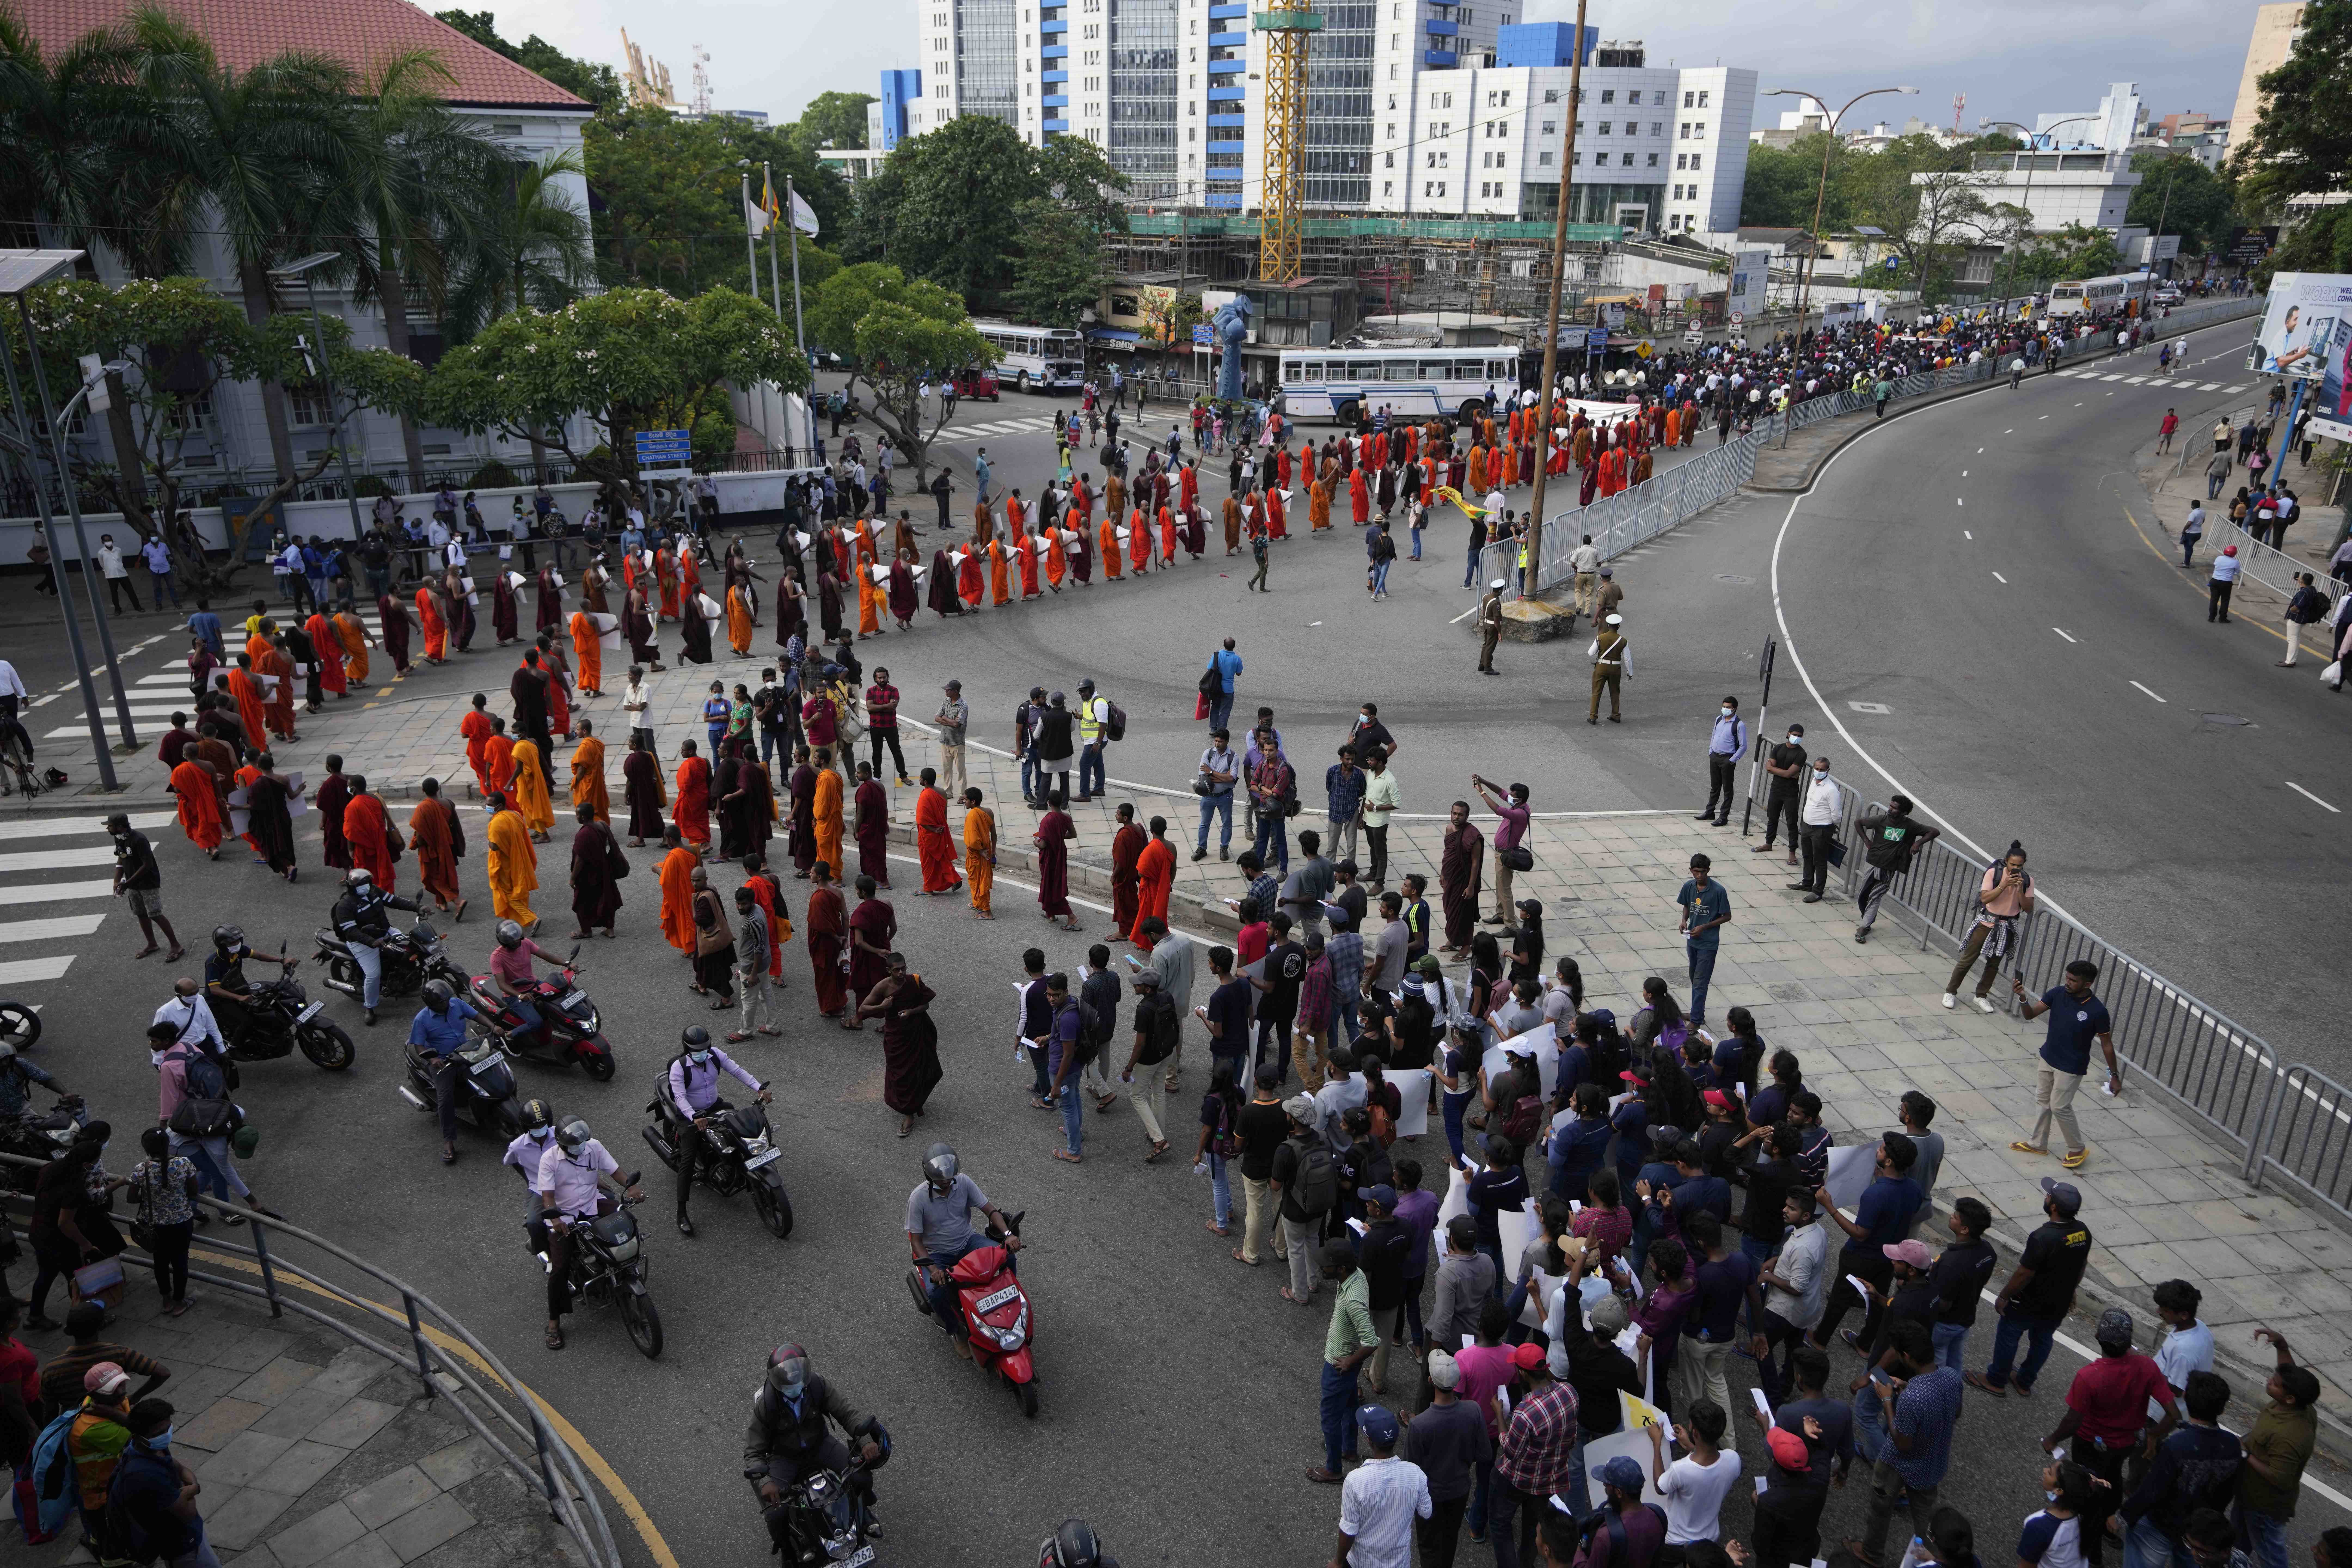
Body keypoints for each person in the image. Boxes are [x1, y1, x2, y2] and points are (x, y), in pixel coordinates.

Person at [742, 1344, 887, 1551]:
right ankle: (788, 1550)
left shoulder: (818, 1386)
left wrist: (865, 1441)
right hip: (785, 1458)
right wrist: (765, 1482)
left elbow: (847, 1413)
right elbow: (753, 1451)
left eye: (797, 1374)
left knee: (861, 1476)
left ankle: (863, 1515)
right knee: (775, 1513)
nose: (793, 1381)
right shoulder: (766, 1406)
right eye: (787, 1377)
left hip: (821, 1445)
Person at [1845, 1318, 1964, 1568]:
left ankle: (1872, 1553)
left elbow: (1901, 1443)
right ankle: (1934, 1561)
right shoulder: (1952, 1377)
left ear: (1907, 1356)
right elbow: (1956, 1413)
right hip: (1933, 1464)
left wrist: (1888, 1400)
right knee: (1926, 1521)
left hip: (1896, 1464)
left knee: (1880, 1508)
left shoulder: (1913, 1398)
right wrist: (1906, 1386)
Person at [1968, 1177, 2093, 1399]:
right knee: (2043, 1340)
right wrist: (2071, 1289)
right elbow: (2081, 1266)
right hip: (2058, 1303)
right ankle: (2025, 1381)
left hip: (2028, 1303)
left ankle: (1996, 1380)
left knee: (2009, 1335)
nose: (2045, 1198)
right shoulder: (2083, 1232)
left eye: (2048, 1197)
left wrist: (2004, 1295)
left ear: (2053, 1207)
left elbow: (2025, 1273)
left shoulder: (2042, 1237)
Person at [536, 1118, 643, 1348]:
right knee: (560, 1269)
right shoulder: (549, 1160)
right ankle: (554, 1323)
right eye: (576, 1144)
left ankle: (628, 1267)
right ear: (563, 1145)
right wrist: (555, 1219)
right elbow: (548, 1197)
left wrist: (630, 1186)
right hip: (565, 1216)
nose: (582, 1147)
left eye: (583, 1142)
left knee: (626, 1219)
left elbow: (615, 1172)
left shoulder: (594, 1146)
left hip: (592, 1203)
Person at [906, 1142, 1024, 1350]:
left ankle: (1011, 1306)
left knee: (1008, 1257)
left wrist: (1007, 1235)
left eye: (949, 1178)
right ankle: (957, 1332)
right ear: (929, 1177)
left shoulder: (964, 1183)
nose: (946, 1183)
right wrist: (934, 1270)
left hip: (968, 1242)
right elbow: (916, 1242)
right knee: (936, 1293)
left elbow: (991, 1210)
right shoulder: (918, 1199)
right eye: (940, 1180)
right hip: (938, 1255)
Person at [2011, 960, 2118, 1170]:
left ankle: (2077, 1149)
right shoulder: (2058, 993)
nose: (2068, 983)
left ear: (2087, 985)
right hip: (2048, 1057)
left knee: (2060, 1106)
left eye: (2073, 980)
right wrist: (2023, 999)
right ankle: (2038, 1144)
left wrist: (2114, 1075)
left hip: (2071, 1067)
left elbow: (2107, 1045)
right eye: (2067, 978)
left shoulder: (2097, 1011)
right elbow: (2031, 1015)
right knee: (2042, 1100)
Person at [666, 1025, 771, 1234]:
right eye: (697, 1051)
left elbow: (737, 1071)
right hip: (691, 1114)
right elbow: (680, 1098)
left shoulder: (715, 1056)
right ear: (687, 1049)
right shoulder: (679, 1067)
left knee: (740, 1131)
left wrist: (759, 1088)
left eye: (705, 1049)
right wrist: (694, 1117)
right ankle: (682, 1212)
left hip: (715, 1106)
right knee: (687, 1160)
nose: (701, 1054)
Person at [2234, 1327, 2321, 1568]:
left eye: (2275, 1383)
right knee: (2235, 1544)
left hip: (2264, 1507)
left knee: (2272, 1558)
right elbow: (2291, 1376)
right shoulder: (2299, 1405)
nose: (2269, 1381)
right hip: (2248, 1495)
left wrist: (2245, 1453)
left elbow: (2280, 1478)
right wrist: (2281, 1346)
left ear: (2290, 1398)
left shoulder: (2290, 1436)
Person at [1332, 1401, 1432, 1566]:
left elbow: (1349, 1530)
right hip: (1399, 1563)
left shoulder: (1355, 1480)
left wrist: (1338, 1562)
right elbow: (1426, 1512)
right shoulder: (1416, 1474)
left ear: (1369, 1441)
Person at [332, 866, 420, 1027]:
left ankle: (403, 979)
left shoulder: (373, 892)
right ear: (352, 887)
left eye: (368, 883)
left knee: (413, 947)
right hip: (362, 943)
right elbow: (351, 932)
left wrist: (417, 908)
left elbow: (394, 901)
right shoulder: (345, 906)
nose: (366, 886)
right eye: (361, 884)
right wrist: (371, 942)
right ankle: (370, 1007)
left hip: (386, 932)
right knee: (373, 975)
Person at [1647, 1398, 1741, 1545]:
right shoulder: (1734, 1459)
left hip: (1675, 1540)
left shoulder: (1681, 1469)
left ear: (1695, 1433)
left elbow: (1660, 1488)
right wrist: (1693, 1447)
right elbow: (1711, 1460)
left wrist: (1657, 1442)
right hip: (1709, 1538)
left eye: (1691, 1426)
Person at [410, 979, 482, 1165]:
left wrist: (493, 1026)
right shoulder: (422, 1020)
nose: (447, 1003)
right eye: (443, 1002)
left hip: (466, 1052)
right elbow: (419, 1046)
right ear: (432, 1004)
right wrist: (432, 1059)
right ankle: (449, 1142)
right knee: (445, 1099)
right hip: (443, 1061)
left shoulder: (456, 1004)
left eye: (447, 999)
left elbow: (476, 1016)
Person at [1852, 794, 1938, 944]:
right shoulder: (1881, 820)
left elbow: (1934, 831)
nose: (1890, 809)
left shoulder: (1910, 825)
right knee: (1864, 894)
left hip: (1889, 868)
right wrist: (1867, 841)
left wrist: (1918, 843)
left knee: (1876, 896)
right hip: (1872, 863)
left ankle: (1864, 927)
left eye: (1895, 808)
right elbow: (1858, 822)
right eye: (1890, 806)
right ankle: (1867, 918)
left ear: (1904, 813)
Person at [110, 812, 184, 961]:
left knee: (155, 914)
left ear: (119, 827)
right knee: (141, 914)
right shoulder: (119, 839)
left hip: (147, 884)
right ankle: (152, 944)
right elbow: (121, 857)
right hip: (132, 885)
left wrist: (128, 883)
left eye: (110, 827)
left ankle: (176, 946)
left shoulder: (139, 840)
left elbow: (148, 865)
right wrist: (117, 880)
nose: (108, 830)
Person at [1674, 854, 1732, 1030]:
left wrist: (1705, 927)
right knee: (1694, 978)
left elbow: (1727, 916)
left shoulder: (1718, 891)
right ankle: (1697, 1012)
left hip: (1708, 944)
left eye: (1703, 872)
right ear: (1691, 871)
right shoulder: (1689, 887)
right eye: (1697, 872)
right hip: (1692, 941)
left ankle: (1696, 1020)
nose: (1700, 875)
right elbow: (1687, 906)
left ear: (1709, 871)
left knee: (1700, 982)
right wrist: (1685, 921)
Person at [1698, 696, 1748, 825]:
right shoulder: (1719, 720)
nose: (1725, 709)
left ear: (1735, 709)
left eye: (1728, 708)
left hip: (1727, 759)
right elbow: (1714, 736)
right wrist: (1711, 751)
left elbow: (1743, 746)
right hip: (1715, 757)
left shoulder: (1739, 725)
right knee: (1715, 787)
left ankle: (1724, 817)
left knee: (1727, 789)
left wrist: (1732, 760)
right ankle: (1710, 812)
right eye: (1724, 707)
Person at [1476, 579, 1505, 674]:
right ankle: (1488, 668)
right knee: (1490, 647)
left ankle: (1482, 664)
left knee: (1486, 645)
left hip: (1486, 623)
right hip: (1493, 626)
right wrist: (1500, 632)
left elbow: (1484, 611)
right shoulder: (1496, 603)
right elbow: (1497, 620)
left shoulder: (1486, 597)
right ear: (1500, 592)